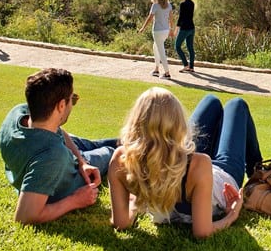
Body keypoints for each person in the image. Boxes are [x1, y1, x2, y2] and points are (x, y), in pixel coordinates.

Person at [109, 90, 263, 239]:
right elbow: (203, 232)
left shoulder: (121, 159)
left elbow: (121, 223)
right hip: (218, 181)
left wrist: (135, 201)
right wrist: (232, 214)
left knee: (211, 101)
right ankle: (258, 172)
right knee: (237, 105)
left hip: (184, 169)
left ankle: (258, 169)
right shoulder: (200, 163)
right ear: (177, 123)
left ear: (136, 121)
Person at [0, 68, 118, 225]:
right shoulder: (50, 156)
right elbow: (24, 216)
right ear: (61, 105)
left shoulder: (19, 113)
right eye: (72, 100)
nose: (72, 105)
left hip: (69, 155)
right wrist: (75, 200)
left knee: (94, 144)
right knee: (111, 151)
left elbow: (57, 130)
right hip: (66, 171)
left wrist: (82, 162)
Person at [138, 0, 174, 78]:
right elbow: (171, 19)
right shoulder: (169, 5)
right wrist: (171, 30)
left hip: (158, 31)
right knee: (156, 47)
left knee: (161, 52)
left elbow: (150, 18)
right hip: (165, 31)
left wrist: (143, 28)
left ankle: (167, 73)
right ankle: (156, 69)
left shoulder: (155, 5)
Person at [174, 0, 196, 72]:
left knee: (177, 46)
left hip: (185, 29)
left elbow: (181, 18)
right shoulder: (192, 3)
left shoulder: (183, 4)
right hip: (192, 28)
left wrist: (176, 29)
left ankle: (185, 65)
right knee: (190, 48)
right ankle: (191, 67)